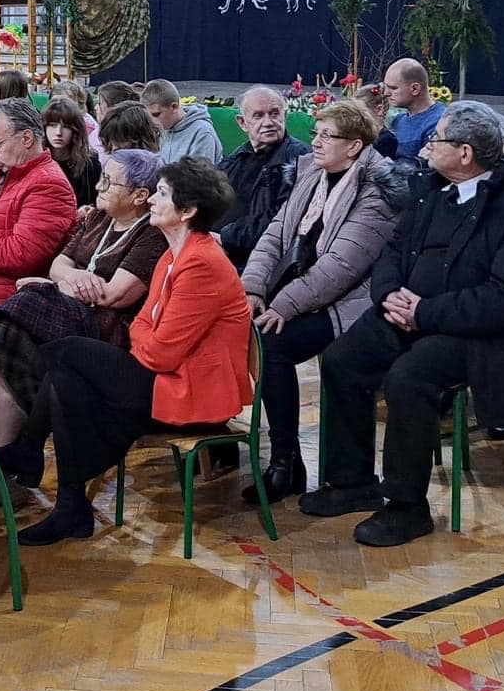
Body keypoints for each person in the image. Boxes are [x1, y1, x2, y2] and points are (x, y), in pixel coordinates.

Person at [301, 100, 504, 547]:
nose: (425, 147)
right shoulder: (429, 190)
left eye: (434, 139)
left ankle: (406, 506)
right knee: (343, 360)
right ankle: (352, 481)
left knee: (409, 379)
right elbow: (392, 253)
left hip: (486, 335)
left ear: (464, 153)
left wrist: (424, 312)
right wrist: (390, 297)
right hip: (412, 315)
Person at [13, 157, 254, 546]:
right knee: (68, 378)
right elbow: (144, 325)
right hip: (167, 377)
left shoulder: (202, 262)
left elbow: (158, 352)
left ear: (188, 211)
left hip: (192, 395)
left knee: (68, 352)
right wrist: (146, 338)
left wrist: (144, 339)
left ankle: (36, 460)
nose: (153, 201)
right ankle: (67, 502)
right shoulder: (176, 252)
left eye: (162, 194)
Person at [240, 99, 410, 504]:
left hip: (354, 303)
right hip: (305, 291)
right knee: (250, 330)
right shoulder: (312, 174)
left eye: (325, 136)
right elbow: (275, 234)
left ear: (354, 146)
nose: (314, 143)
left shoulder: (378, 189)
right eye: (315, 134)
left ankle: (287, 464)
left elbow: (342, 266)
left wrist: (283, 305)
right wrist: (253, 288)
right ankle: (287, 461)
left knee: (272, 343)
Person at [0, 148, 166, 479]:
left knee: (23, 303)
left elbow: (114, 296)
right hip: (74, 313)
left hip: (110, 330)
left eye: (109, 182)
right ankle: (13, 453)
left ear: (140, 195)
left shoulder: (151, 233)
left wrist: (51, 284)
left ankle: (15, 451)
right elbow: (59, 264)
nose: (98, 186)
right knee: (12, 338)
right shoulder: (97, 217)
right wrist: (71, 278)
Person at [0, 100, 80, 307]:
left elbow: (20, 254)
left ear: (26, 138)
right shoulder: (8, 173)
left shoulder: (49, 184)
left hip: (7, 306)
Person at [216, 86, 310, 267]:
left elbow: (281, 219)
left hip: (261, 259)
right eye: (258, 116)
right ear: (242, 123)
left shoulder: (300, 159)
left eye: (274, 114)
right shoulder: (237, 157)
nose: (268, 122)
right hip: (222, 248)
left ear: (285, 116)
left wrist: (224, 238)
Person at [40, 96, 100, 208]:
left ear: (75, 130)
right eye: (52, 125)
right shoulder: (36, 162)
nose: (58, 132)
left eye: (66, 127)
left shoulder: (89, 164)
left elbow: (96, 202)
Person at [382, 58, 446, 162]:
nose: (386, 93)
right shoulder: (398, 120)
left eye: (393, 88)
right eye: (385, 87)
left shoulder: (439, 123)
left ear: (415, 89)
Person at [143, 79, 221, 164]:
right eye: (148, 115)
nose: (152, 121)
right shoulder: (163, 128)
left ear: (174, 107)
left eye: (156, 114)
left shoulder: (203, 133)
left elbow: (200, 175)